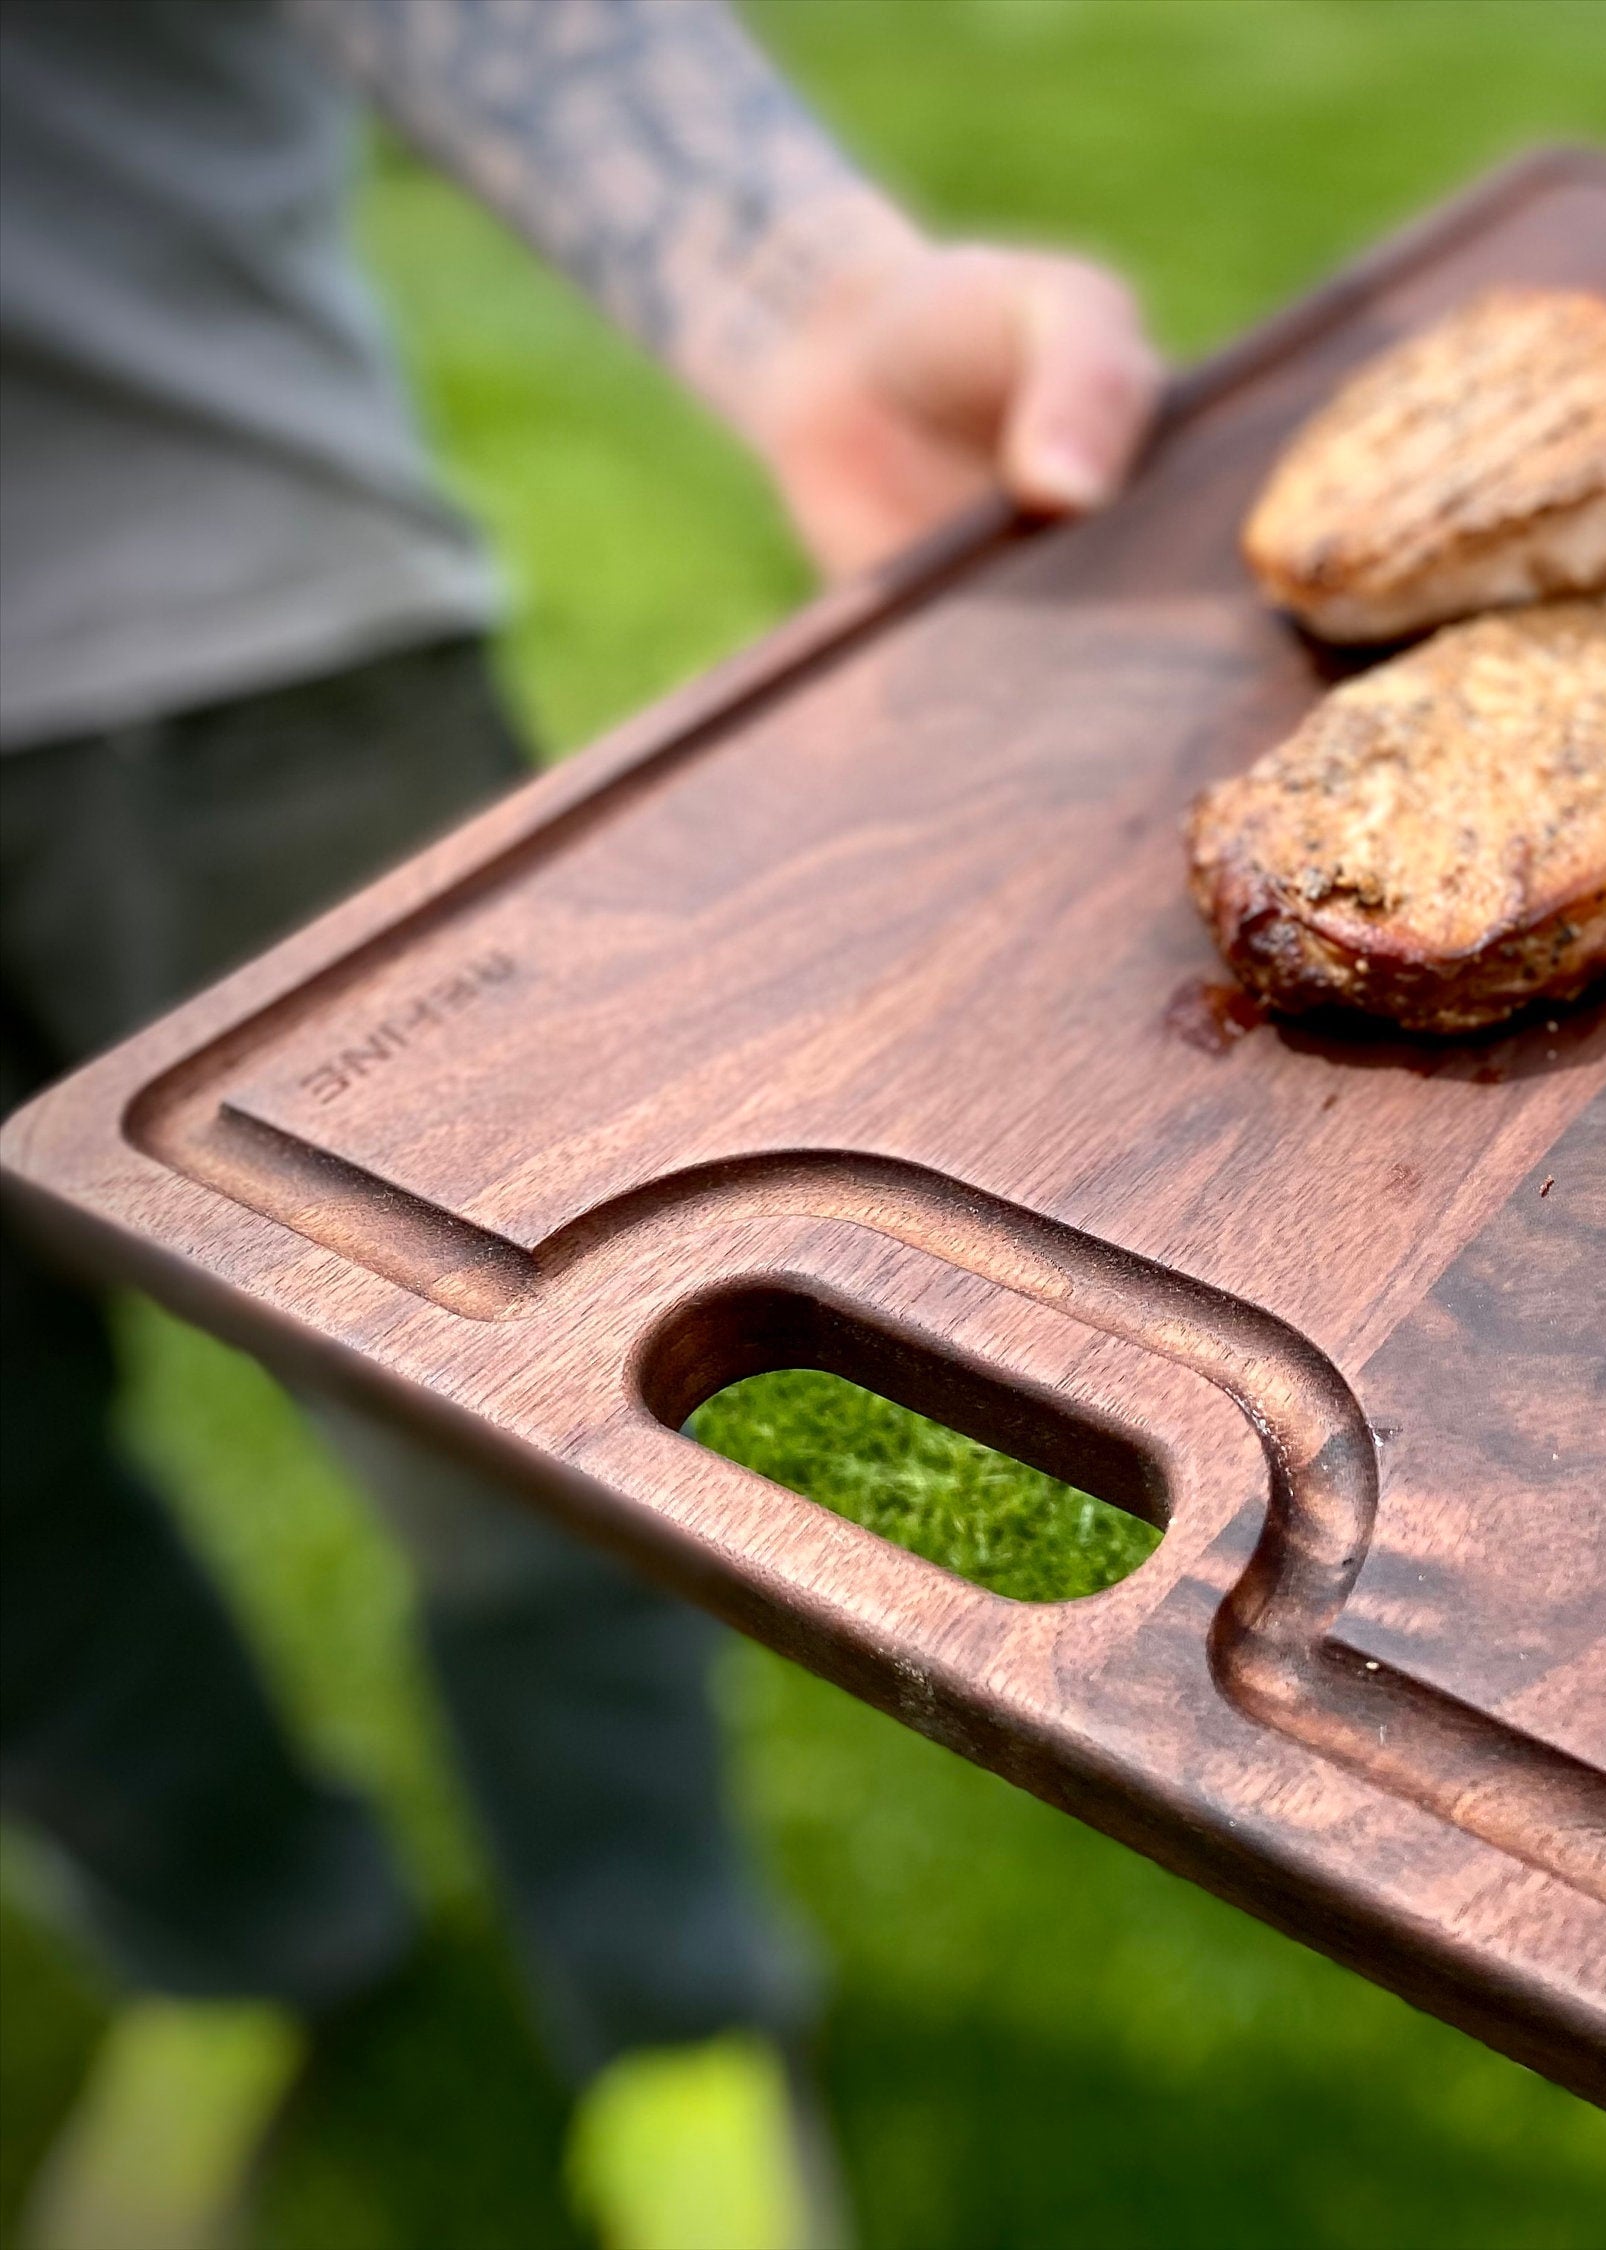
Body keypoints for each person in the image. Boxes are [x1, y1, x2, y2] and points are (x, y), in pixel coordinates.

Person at [0, 3, 1161, 2244]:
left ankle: (669, 2004)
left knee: (522, 1446)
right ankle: (232, 1938)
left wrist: (798, 280)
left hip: (240, 664)